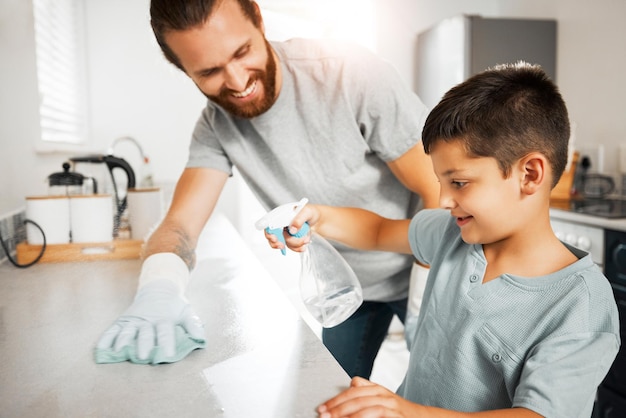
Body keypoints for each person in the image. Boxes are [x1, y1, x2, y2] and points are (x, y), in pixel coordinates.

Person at [94, 0, 440, 377]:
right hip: (346, 290)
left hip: (425, 269)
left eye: (242, 52)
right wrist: (158, 286)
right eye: (209, 71)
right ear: (184, 70)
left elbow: (437, 187)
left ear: (258, 18)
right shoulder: (215, 130)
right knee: (328, 396)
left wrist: (427, 289)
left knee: (449, 396)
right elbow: (180, 224)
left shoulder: (350, 75)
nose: (238, 81)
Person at [272, 62, 620, 417]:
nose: (442, 200)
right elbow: (378, 231)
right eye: (441, 182)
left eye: (459, 182)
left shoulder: (580, 306)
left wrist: (407, 412)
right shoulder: (452, 235)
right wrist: (320, 216)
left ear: (529, 174)